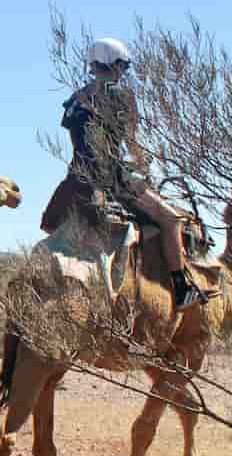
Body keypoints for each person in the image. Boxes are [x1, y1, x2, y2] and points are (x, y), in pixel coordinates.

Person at [61, 37, 214, 311]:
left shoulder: (76, 99)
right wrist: (143, 169)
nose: (123, 73)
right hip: (113, 179)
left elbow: (80, 141)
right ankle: (181, 289)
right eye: (122, 67)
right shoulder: (122, 98)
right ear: (115, 64)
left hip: (78, 180)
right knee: (171, 220)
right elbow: (131, 144)